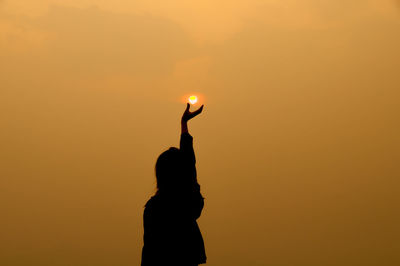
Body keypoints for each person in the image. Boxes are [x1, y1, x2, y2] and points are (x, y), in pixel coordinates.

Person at [141, 103, 207, 266]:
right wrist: (184, 126)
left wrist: (184, 125)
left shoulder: (153, 208)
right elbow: (189, 169)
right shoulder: (186, 207)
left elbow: (148, 251)